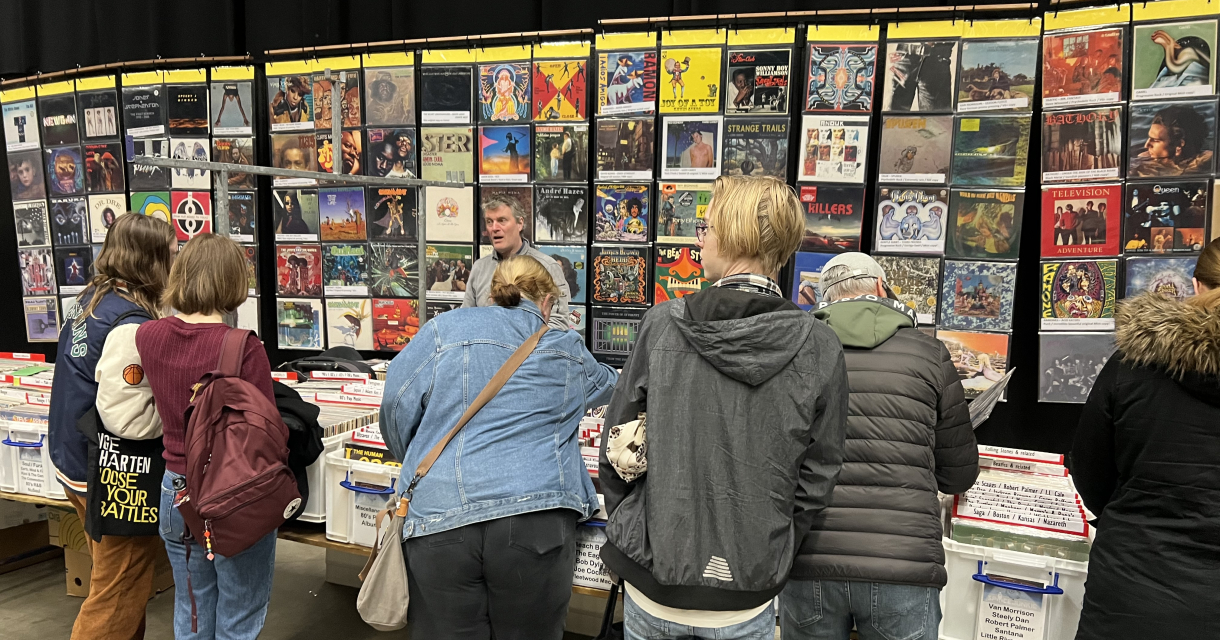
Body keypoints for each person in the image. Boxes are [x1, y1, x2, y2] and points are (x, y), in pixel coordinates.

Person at [599, 175, 849, 640]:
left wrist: (636, 528)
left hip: (655, 578)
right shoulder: (820, 345)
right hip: (746, 588)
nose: (700, 240)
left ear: (732, 235)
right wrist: (771, 546)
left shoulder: (662, 326)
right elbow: (818, 476)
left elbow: (620, 450)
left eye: (705, 227)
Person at [382, 256, 618, 639]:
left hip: (439, 516)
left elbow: (395, 403)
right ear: (547, 303)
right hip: (535, 519)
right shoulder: (565, 347)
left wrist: (417, 455)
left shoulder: (441, 330)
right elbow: (610, 385)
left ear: (493, 293)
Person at [780, 253, 978, 640]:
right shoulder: (930, 354)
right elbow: (959, 474)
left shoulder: (798, 352)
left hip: (810, 558)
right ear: (880, 288)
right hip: (904, 564)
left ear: (823, 298)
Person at [1070, 239, 1220, 639]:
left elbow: (1087, 465)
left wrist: (1126, 513)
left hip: (1130, 583)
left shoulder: (1135, 360)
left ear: (1197, 284)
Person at [137, 234, 279, 640]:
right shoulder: (243, 347)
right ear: (233, 280)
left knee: (192, 609)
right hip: (233, 494)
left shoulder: (148, 336)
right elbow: (267, 432)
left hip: (174, 490)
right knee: (240, 614)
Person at [48, 213, 178, 640]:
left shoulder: (93, 300)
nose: (176, 263)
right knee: (118, 587)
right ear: (150, 260)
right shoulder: (130, 325)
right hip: (110, 471)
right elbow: (129, 421)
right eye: (171, 254)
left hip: (75, 455)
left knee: (125, 580)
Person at [463, 193, 572, 330]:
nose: (494, 228)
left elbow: (559, 323)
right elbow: (466, 317)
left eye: (502, 220)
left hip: (532, 349)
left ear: (520, 223)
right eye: (489, 221)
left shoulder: (548, 266)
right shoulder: (480, 268)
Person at [1129, 104, 1214, 177]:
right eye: (1149, 138)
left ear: (1179, 144)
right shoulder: (1144, 156)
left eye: (1155, 140)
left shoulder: (1203, 159)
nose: (1146, 145)